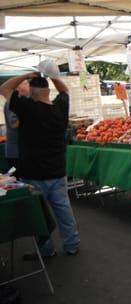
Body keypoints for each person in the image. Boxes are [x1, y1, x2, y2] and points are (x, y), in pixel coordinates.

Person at [0, 72, 80, 258]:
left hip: (34, 173)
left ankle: (46, 250)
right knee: (63, 209)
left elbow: (4, 88)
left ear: (32, 92)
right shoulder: (60, 107)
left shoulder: (26, 108)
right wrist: (53, 75)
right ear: (48, 91)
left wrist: (26, 74)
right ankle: (72, 245)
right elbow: (64, 90)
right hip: (58, 171)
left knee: (40, 214)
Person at [2, 80, 29, 172]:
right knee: (19, 181)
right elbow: (14, 124)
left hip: (20, 150)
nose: (29, 85)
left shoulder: (20, 101)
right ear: (19, 88)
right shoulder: (13, 102)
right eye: (26, 84)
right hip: (16, 152)